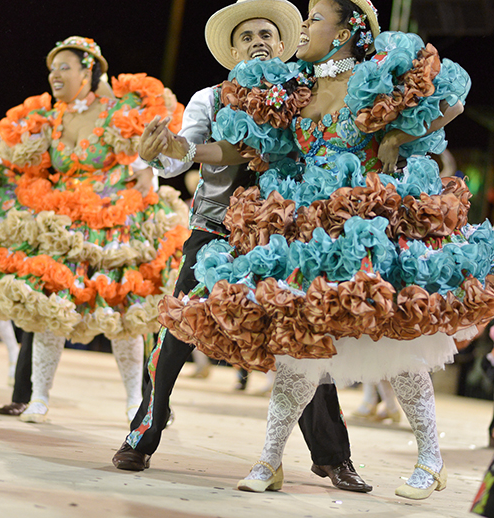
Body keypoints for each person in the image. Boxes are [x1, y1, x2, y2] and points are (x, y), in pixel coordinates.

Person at [156, 0, 476, 500]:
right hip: (305, 232)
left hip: (367, 228)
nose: (304, 29)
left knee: (398, 347)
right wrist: (185, 151)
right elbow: (245, 148)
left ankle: (430, 460)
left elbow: (450, 98)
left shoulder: (377, 74)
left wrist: (396, 134)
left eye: (314, 19)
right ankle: (268, 461)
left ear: (347, 27)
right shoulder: (294, 87)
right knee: (297, 349)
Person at [112, 0, 371, 494]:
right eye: (247, 36)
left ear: (283, 44)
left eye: (267, 35)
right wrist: (164, 149)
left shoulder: (302, 93)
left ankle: (333, 456)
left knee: (305, 343)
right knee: (175, 335)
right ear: (233, 49)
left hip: (283, 239)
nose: (257, 42)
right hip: (215, 232)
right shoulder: (209, 99)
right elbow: (175, 160)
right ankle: (143, 434)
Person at [0, 36, 188, 423]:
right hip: (62, 223)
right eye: (52, 68)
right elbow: (28, 168)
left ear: (88, 70)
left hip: (113, 224)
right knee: (47, 309)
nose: (55, 75)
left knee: (123, 314)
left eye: (65, 67)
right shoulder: (50, 118)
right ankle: (38, 398)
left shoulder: (117, 111)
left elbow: (146, 155)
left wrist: (147, 174)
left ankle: (134, 403)